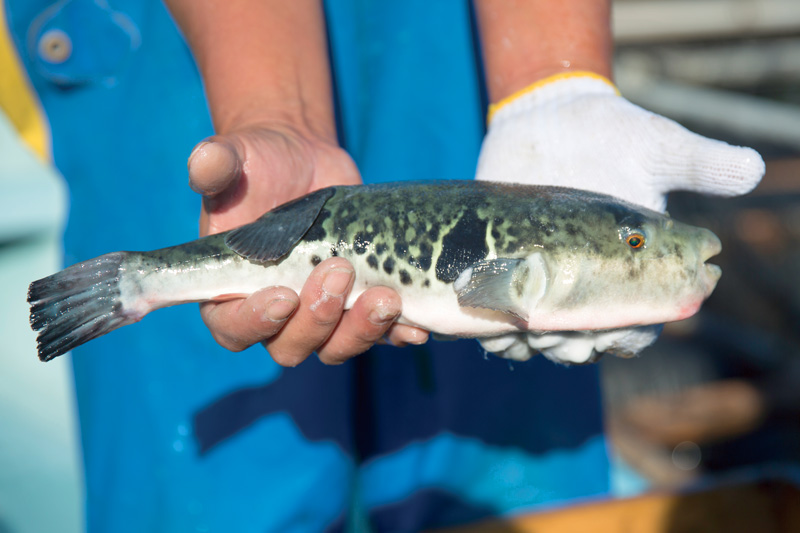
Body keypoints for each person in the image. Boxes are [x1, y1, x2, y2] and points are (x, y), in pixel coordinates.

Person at [3, 0, 763, 531]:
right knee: (223, 497)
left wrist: (549, 81)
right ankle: (132, 285)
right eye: (630, 245)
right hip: (181, 36)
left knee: (505, 489)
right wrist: (278, 115)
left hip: (447, 33)